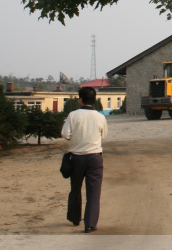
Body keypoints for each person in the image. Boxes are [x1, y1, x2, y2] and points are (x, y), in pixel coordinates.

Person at [61, 87, 108, 233]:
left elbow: (65, 134)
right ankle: (90, 224)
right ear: (95, 100)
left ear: (80, 99)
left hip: (76, 158)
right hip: (95, 157)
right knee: (94, 192)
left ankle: (75, 218)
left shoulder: (73, 115)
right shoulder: (100, 117)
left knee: (75, 188)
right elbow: (104, 135)